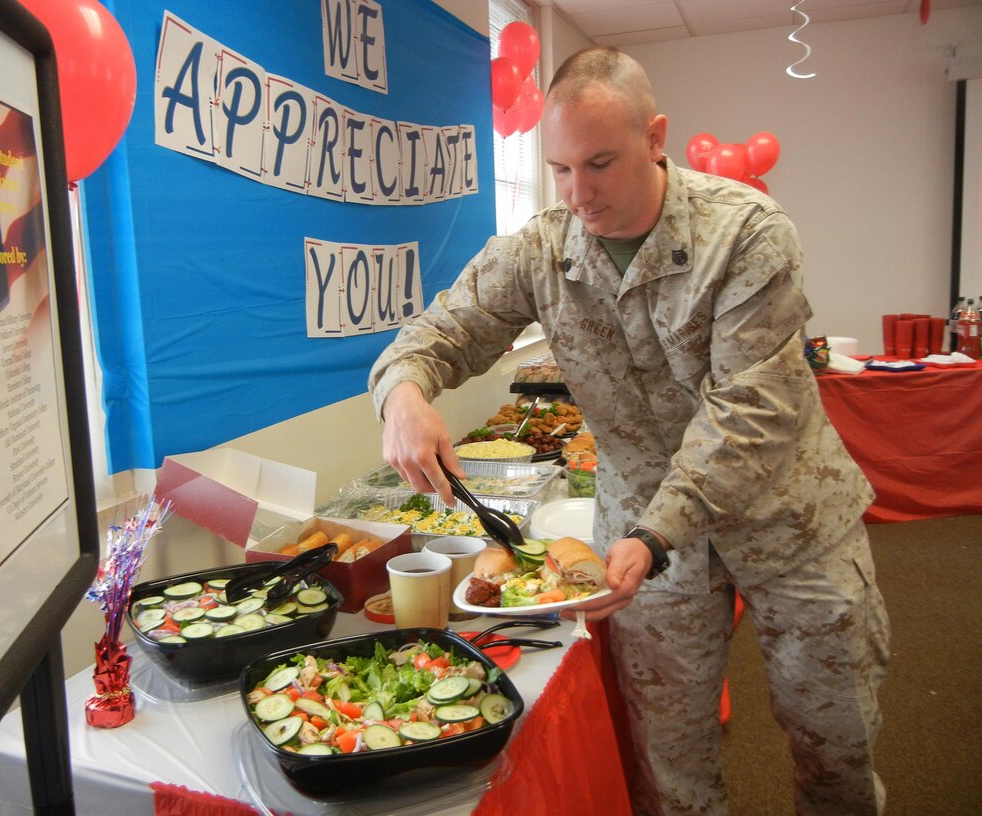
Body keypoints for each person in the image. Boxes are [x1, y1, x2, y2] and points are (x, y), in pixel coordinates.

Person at [368, 46, 890, 816]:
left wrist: (654, 532)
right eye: (560, 169)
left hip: (787, 515)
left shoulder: (745, 233)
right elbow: (438, 331)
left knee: (834, 740)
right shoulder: (542, 250)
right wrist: (403, 394)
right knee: (667, 756)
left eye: (600, 164)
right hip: (641, 539)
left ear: (655, 138)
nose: (578, 193)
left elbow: (749, 413)